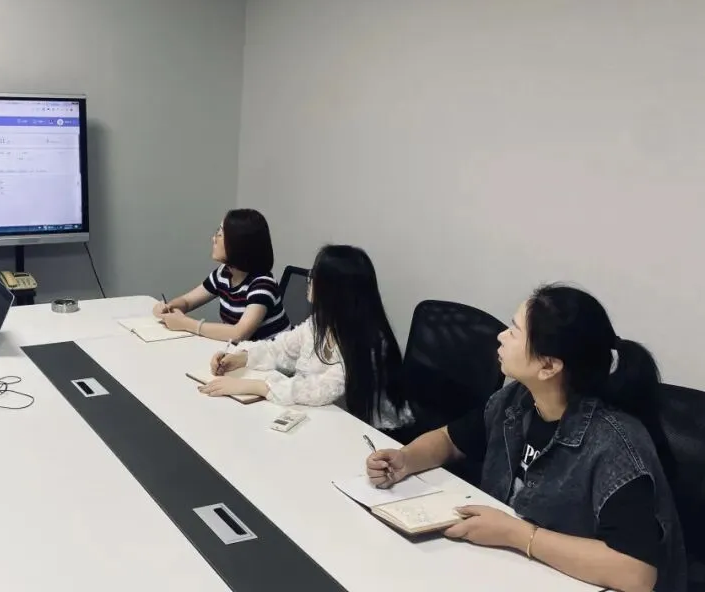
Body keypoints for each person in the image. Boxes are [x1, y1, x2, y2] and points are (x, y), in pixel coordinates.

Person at [365, 284, 686, 592]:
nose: (501, 336)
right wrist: (406, 458)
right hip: (510, 570)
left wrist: (518, 535)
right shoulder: (517, 400)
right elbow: (450, 440)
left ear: (548, 366)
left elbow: (636, 574)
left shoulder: (613, 443)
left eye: (515, 331)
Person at [199, 245, 413, 429]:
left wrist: (256, 386)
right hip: (323, 418)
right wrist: (241, 357)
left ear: (336, 290)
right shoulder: (319, 322)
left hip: (364, 430)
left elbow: (323, 389)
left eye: (315, 275)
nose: (309, 279)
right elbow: (280, 349)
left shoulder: (368, 341)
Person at [154, 209, 289, 342]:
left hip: (270, 355)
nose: (213, 239)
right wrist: (170, 307)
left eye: (220, 234)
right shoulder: (223, 273)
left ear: (239, 243)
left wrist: (186, 324)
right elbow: (187, 301)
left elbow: (239, 334)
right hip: (239, 352)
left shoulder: (263, 285)